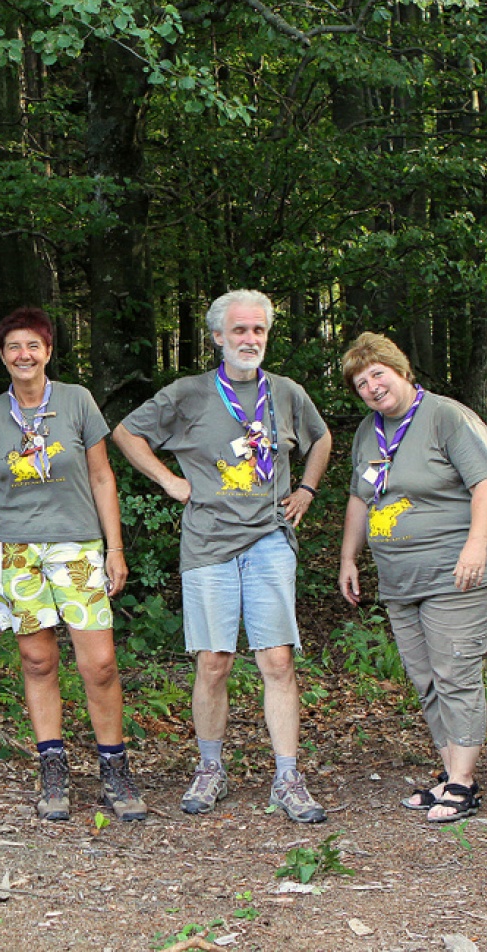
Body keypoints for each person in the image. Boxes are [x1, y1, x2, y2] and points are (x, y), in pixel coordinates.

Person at [113, 289, 332, 823]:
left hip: (269, 539)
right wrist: (169, 481)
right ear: (218, 337)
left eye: (258, 330)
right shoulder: (188, 394)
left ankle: (287, 777)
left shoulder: (285, 392)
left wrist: (306, 488)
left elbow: (321, 439)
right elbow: (125, 432)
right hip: (208, 543)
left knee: (276, 660)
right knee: (214, 662)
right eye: (239, 331)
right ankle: (211, 769)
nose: (249, 339)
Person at [0, 307, 146, 823]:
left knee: (99, 664)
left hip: (76, 547)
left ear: (48, 351)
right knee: (39, 662)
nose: (24, 356)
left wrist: (114, 548)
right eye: (13, 348)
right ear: (2, 357)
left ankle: (114, 769)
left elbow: (102, 478)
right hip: (14, 551)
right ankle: (53, 770)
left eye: (33, 346)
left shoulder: (77, 401)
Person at [337, 332, 487, 823]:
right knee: (425, 677)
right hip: (400, 578)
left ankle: (462, 784)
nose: (372, 387)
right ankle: (452, 773)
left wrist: (475, 544)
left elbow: (486, 482)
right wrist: (348, 557)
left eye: (379, 375)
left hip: (457, 571)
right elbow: (360, 497)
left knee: (454, 672)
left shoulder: (446, 416)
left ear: (402, 372)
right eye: (361, 382)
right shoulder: (366, 432)